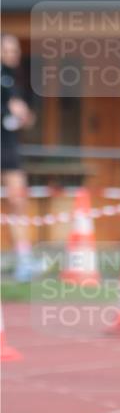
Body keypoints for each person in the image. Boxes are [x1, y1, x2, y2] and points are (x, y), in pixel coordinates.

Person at [1, 34, 37, 282]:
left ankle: (24, 259)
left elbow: (26, 116)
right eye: (8, 49)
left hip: (10, 148)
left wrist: (24, 116)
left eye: (16, 49)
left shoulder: (14, 79)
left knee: (17, 202)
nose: (13, 54)